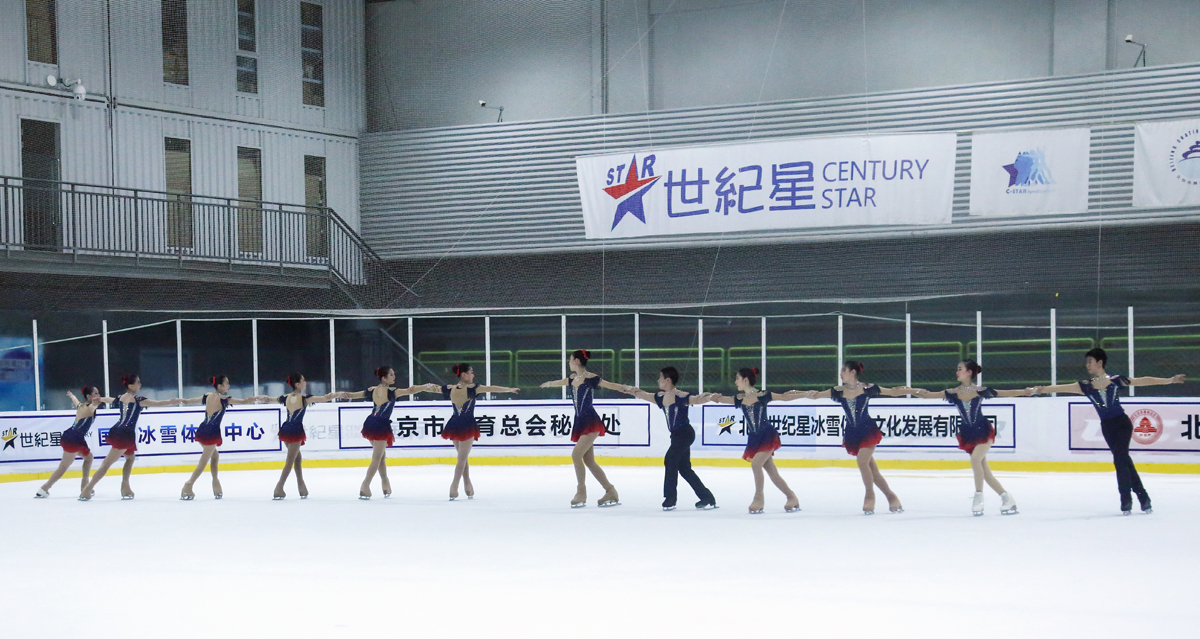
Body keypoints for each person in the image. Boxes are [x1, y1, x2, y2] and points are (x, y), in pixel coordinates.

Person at [1034, 348, 1186, 515]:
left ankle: (1126, 499)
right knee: (1123, 459)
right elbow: (1060, 388)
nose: (1087, 365)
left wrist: (1169, 380)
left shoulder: (1115, 380)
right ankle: (1144, 498)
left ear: (1100, 363)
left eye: (1090, 361)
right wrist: (1040, 390)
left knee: (1119, 459)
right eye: (1087, 362)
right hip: (1107, 427)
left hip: (1122, 424)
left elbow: (1142, 380)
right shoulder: (1085, 386)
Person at [910, 359, 1033, 516]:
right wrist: (910, 390)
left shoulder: (979, 390)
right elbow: (927, 395)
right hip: (968, 434)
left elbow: (1005, 392)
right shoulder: (952, 392)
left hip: (983, 431)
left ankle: (978, 497)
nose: (957, 372)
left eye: (960, 369)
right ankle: (1007, 498)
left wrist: (1025, 391)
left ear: (969, 372)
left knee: (975, 460)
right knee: (985, 472)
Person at [806, 361, 910, 514]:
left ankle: (869, 495)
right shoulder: (838, 391)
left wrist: (915, 391)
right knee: (873, 471)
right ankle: (892, 497)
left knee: (862, 462)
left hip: (868, 431)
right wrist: (805, 394)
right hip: (853, 434)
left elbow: (893, 392)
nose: (841, 373)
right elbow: (816, 395)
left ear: (853, 372)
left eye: (844, 370)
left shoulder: (867, 388)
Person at [708, 367, 808, 514]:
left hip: (767, 435)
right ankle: (791, 497)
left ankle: (759, 499)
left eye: (737, 378)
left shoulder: (762, 395)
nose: (735, 382)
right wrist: (712, 397)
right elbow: (723, 399)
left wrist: (805, 394)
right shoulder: (740, 398)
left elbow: (784, 397)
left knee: (756, 464)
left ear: (745, 380)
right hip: (754, 438)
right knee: (772, 472)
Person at [618, 366, 717, 511]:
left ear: (668, 380)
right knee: (684, 469)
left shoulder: (681, 396)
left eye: (660, 378)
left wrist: (711, 397)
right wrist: (631, 390)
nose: (658, 380)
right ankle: (707, 497)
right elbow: (644, 395)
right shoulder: (660, 397)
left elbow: (696, 399)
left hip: (685, 434)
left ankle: (670, 498)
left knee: (670, 460)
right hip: (676, 436)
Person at [540, 349, 627, 508]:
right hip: (580, 422)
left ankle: (581, 492)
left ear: (577, 361)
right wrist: (549, 383)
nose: (569, 362)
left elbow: (609, 385)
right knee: (589, 461)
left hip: (591, 421)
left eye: (570, 359)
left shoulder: (590, 378)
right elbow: (561, 382)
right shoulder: (572, 378)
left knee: (576, 455)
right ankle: (610, 491)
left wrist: (626, 388)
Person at [79, 374, 182, 501]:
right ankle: (87, 490)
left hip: (119, 431)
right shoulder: (138, 400)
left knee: (130, 458)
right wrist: (171, 402)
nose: (140, 384)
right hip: (124, 434)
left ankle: (125, 487)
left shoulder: (121, 398)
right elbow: (158, 403)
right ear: (131, 386)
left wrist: (100, 399)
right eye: (138, 382)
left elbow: (110, 400)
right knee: (106, 464)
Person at [340, 366, 428, 499]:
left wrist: (340, 395)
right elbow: (411, 390)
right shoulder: (392, 392)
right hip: (380, 425)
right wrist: (425, 386)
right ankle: (365, 485)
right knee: (377, 457)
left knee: (381, 455)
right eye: (391, 375)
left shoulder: (372, 390)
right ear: (384, 378)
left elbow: (353, 395)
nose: (394, 377)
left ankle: (385, 483)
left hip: (370, 422)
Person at [178, 375, 269, 500]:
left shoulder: (208, 396)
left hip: (202, 429)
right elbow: (243, 401)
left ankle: (215, 482)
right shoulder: (224, 399)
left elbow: (189, 401)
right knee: (203, 462)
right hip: (211, 433)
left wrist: (181, 400)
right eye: (227, 383)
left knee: (215, 456)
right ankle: (188, 485)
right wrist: (256, 398)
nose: (229, 386)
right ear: (220, 386)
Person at [436, 363, 519, 500]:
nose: (473, 375)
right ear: (464, 375)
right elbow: (491, 388)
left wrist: (415, 389)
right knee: (462, 458)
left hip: (454, 423)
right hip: (467, 425)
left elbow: (431, 388)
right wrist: (508, 389)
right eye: (471, 372)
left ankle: (467, 485)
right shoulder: (472, 388)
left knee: (462, 457)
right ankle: (454, 487)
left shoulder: (450, 388)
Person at [273, 373, 345, 500]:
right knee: (290, 460)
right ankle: (279, 488)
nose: (305, 382)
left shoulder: (286, 397)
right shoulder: (304, 398)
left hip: (285, 428)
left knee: (297, 458)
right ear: (297, 384)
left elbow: (271, 399)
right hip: (295, 430)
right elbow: (324, 398)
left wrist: (259, 398)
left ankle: (301, 487)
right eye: (303, 380)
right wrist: (335, 395)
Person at [36, 388, 111, 499]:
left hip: (74, 437)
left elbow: (77, 402)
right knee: (63, 467)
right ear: (89, 396)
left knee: (89, 457)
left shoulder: (81, 406)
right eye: (95, 393)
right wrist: (98, 401)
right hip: (73, 439)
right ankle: (44, 488)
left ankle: (85, 486)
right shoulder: (90, 408)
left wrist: (72, 396)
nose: (98, 395)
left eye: (98, 393)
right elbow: (93, 406)